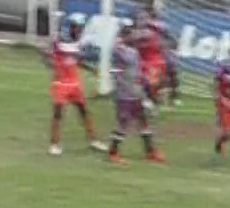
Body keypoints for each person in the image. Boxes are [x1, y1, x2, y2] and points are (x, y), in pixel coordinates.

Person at [106, 28, 164, 165]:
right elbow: (119, 70)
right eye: (131, 35)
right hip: (125, 93)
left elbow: (137, 71)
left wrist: (146, 80)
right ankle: (113, 152)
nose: (135, 38)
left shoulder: (133, 51)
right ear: (125, 36)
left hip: (136, 92)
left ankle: (150, 151)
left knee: (144, 121)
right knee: (123, 123)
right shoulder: (119, 51)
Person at [45, 19, 97, 156]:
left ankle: (93, 139)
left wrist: (91, 69)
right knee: (58, 114)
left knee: (83, 111)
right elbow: (49, 55)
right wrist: (51, 61)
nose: (79, 32)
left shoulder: (77, 44)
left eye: (80, 29)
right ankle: (54, 143)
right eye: (77, 29)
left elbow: (77, 60)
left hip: (74, 84)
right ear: (71, 28)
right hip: (61, 84)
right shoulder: (60, 42)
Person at [134, 8, 180, 108]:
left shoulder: (159, 27)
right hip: (145, 56)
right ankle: (150, 98)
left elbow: (172, 39)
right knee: (145, 79)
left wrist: (170, 47)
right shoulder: (139, 30)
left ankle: (172, 96)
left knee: (166, 74)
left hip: (159, 55)